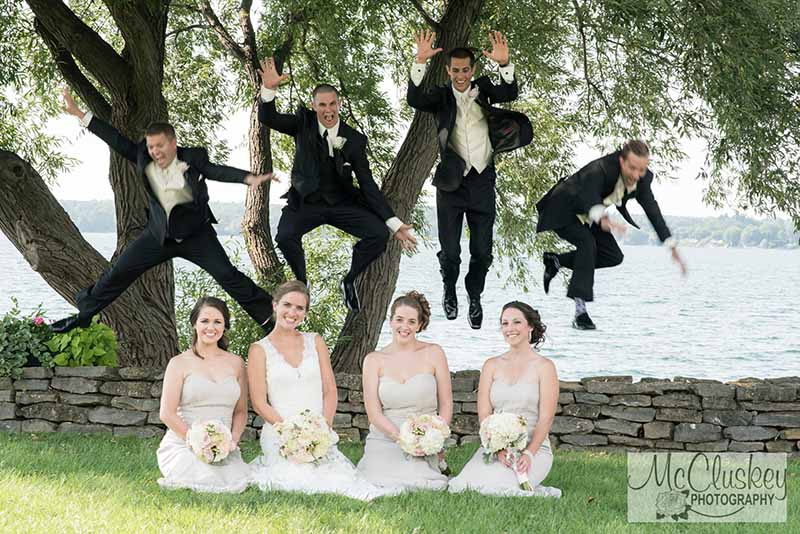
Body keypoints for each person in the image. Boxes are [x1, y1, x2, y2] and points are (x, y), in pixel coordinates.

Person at [51, 89, 277, 334]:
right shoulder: (143, 157)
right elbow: (114, 139)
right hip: (159, 236)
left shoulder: (193, 157)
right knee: (119, 272)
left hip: (196, 235)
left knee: (227, 275)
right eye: (150, 147)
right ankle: (85, 313)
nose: (155, 151)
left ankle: (268, 316)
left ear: (173, 143)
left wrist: (247, 178)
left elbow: (216, 171)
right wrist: (79, 114)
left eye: (160, 146)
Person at [257, 58, 417, 311]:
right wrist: (269, 89)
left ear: (339, 104)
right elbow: (268, 118)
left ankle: (349, 280)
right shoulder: (303, 124)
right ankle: (301, 284)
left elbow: (367, 184)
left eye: (332, 104)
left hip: (342, 203)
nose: (328, 110)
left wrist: (394, 224)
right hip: (306, 202)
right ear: (314, 106)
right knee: (285, 236)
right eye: (322, 105)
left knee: (377, 235)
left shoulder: (354, 140)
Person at [407, 30, 532, 329]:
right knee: (450, 251)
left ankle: (474, 296)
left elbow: (510, 93)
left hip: (482, 182)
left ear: (472, 70)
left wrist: (505, 65)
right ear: (448, 71)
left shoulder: (485, 88)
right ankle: (449, 289)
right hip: (451, 184)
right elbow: (414, 98)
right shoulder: (439, 97)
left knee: (482, 251)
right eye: (455, 70)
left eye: (465, 70)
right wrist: (420, 61)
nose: (460, 75)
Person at [248, 281, 384, 500]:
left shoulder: (315, 341)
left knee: (336, 476)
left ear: (305, 313)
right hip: (280, 431)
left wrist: (323, 429)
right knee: (294, 477)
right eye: (287, 305)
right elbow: (259, 402)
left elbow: (329, 390)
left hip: (318, 429)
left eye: (299, 308)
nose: (292, 312)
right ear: (275, 305)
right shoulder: (259, 349)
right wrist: (290, 432)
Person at [536, 140, 688, 329]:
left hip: (591, 216)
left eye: (641, 170)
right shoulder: (601, 168)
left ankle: (556, 261)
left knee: (613, 256)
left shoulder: (642, 179)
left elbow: (652, 211)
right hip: (563, 209)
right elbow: (588, 194)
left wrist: (671, 245)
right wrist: (603, 219)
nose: (636, 175)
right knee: (587, 244)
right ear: (622, 161)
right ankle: (580, 313)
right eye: (632, 168)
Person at [449, 301, 561, 497]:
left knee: (500, 489)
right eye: (505, 323)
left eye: (517, 322)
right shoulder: (491, 365)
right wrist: (497, 448)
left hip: (534, 448)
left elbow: (546, 418)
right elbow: (484, 414)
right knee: (463, 486)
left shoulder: (545, 367)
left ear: (530, 327)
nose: (510, 329)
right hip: (496, 448)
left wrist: (529, 453)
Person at [357, 291, 452, 491]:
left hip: (423, 437)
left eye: (411, 321)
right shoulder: (373, 360)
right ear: (390, 321)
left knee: (419, 481)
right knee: (373, 479)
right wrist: (402, 439)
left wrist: (433, 437)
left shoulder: (434, 353)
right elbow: (374, 413)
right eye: (399, 319)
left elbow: (446, 404)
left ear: (419, 325)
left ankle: (436, 463)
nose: (404, 327)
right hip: (385, 436)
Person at [157, 297, 252, 493]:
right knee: (202, 477)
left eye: (217, 321)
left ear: (225, 326)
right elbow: (167, 413)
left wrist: (232, 441)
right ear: (194, 324)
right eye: (205, 321)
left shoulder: (236, 363)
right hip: (185, 444)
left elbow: (241, 411)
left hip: (224, 448)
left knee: (237, 478)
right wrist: (196, 442)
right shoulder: (178, 363)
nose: (211, 327)